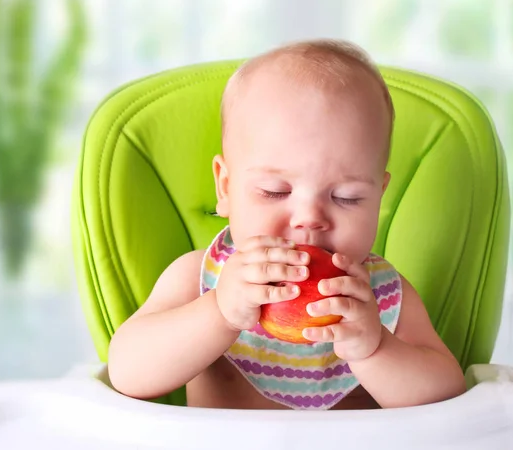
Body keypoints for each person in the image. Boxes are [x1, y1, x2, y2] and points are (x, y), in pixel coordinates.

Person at [107, 39, 467, 410]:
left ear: (378, 197)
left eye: (346, 196)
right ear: (226, 187)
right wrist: (219, 313)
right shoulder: (200, 279)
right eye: (275, 191)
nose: (310, 219)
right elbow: (127, 371)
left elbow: (446, 394)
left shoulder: (382, 296)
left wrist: (375, 349)